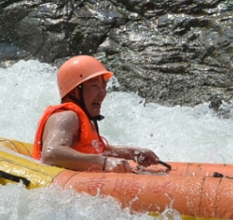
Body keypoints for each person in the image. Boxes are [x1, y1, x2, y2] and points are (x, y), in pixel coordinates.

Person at [32, 55, 165, 173]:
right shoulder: (65, 116)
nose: (102, 93)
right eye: (94, 86)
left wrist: (132, 153)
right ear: (74, 91)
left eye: (104, 87)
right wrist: (104, 163)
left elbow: (97, 150)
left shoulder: (84, 118)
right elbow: (51, 154)